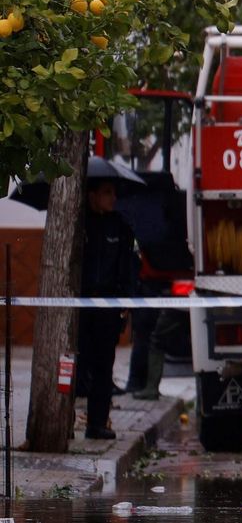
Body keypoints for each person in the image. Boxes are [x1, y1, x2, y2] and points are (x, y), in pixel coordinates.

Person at [78, 177, 140, 440]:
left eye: (114, 193)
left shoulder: (121, 228)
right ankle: (64, 419)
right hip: (81, 306)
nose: (112, 198)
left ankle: (97, 422)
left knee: (104, 368)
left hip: (107, 308)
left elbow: (128, 267)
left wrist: (125, 302)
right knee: (78, 366)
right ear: (92, 195)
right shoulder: (79, 225)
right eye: (106, 193)